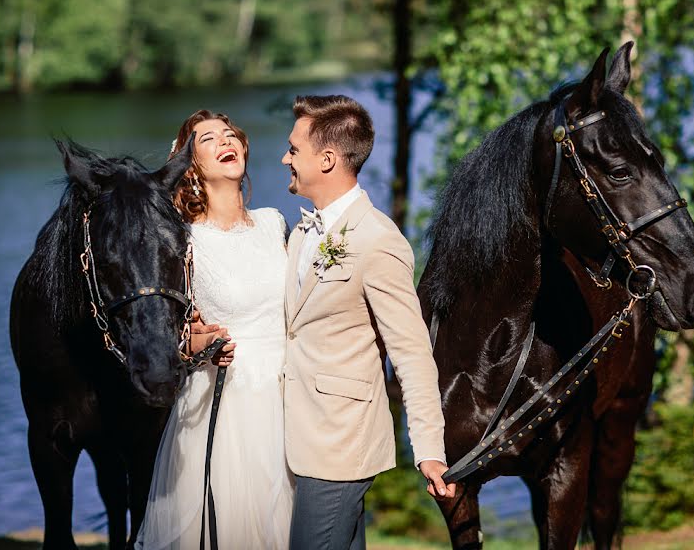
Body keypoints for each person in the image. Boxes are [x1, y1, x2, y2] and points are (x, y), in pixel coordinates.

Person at [281, 94, 455, 549]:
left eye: (293, 149)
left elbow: (412, 353)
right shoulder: (302, 231)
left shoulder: (379, 241)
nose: (285, 159)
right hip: (300, 436)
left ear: (328, 158)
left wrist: (430, 449)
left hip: (341, 443)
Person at [136, 110, 294, 550]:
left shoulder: (273, 223)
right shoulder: (183, 241)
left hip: (289, 394)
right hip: (228, 406)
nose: (226, 142)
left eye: (230, 135)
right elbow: (176, 335)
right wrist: (204, 342)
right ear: (190, 163)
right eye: (208, 139)